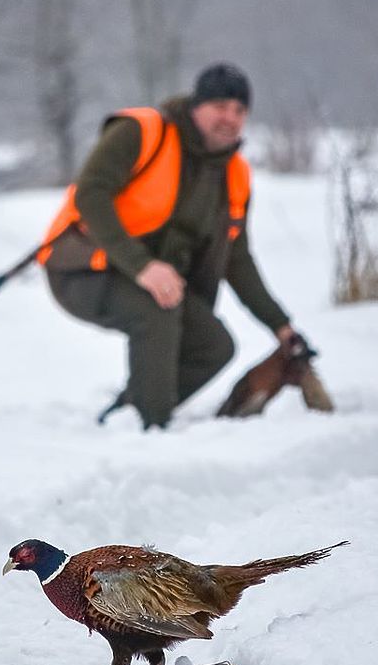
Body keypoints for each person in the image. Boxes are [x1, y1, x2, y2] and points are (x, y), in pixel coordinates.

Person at [37, 63, 297, 430]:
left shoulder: (234, 174)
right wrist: (143, 266)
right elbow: (91, 195)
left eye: (240, 110)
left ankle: (127, 415)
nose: (230, 118)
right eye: (220, 106)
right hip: (81, 268)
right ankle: (151, 430)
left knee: (215, 346)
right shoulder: (142, 132)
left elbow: (237, 259)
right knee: (155, 310)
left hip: (152, 280)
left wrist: (280, 325)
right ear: (196, 105)